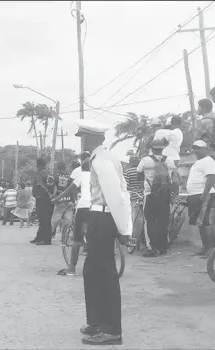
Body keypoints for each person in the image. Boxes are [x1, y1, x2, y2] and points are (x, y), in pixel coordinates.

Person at [75, 121, 131, 345]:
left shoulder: (102, 161)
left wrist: (124, 228)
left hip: (104, 217)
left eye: (84, 137)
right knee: (92, 271)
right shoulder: (102, 158)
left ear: (91, 139)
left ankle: (111, 330)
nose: (82, 141)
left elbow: (116, 195)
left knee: (105, 273)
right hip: (98, 216)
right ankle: (97, 321)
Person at [137, 139, 177, 257]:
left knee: (149, 221)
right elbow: (174, 177)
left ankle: (151, 248)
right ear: (162, 148)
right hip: (165, 195)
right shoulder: (169, 160)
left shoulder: (145, 160)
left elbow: (139, 174)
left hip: (150, 194)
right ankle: (162, 247)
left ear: (152, 148)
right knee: (163, 220)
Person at [55, 155, 92, 276]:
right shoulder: (99, 176)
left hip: (84, 207)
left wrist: (56, 198)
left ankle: (71, 268)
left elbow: (70, 189)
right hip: (98, 208)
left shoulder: (82, 175)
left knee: (77, 240)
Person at [185, 141, 215, 259]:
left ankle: (212, 250)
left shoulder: (208, 161)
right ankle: (205, 247)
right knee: (200, 223)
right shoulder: (198, 162)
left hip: (204, 194)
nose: (195, 150)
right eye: (194, 148)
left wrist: (204, 194)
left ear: (205, 149)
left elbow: (211, 178)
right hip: (195, 194)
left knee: (205, 222)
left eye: (198, 148)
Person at [30, 158, 55, 246]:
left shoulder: (38, 174)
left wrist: (48, 194)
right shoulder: (49, 174)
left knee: (43, 219)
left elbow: (41, 185)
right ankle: (39, 237)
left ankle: (46, 239)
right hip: (49, 200)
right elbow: (53, 186)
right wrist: (51, 195)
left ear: (38, 165)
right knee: (46, 219)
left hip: (42, 198)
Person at [50, 162, 72, 238]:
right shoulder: (70, 177)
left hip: (59, 200)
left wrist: (54, 197)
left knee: (55, 218)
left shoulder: (56, 177)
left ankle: (51, 234)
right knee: (67, 219)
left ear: (58, 168)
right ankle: (65, 236)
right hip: (68, 200)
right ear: (65, 168)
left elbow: (54, 187)